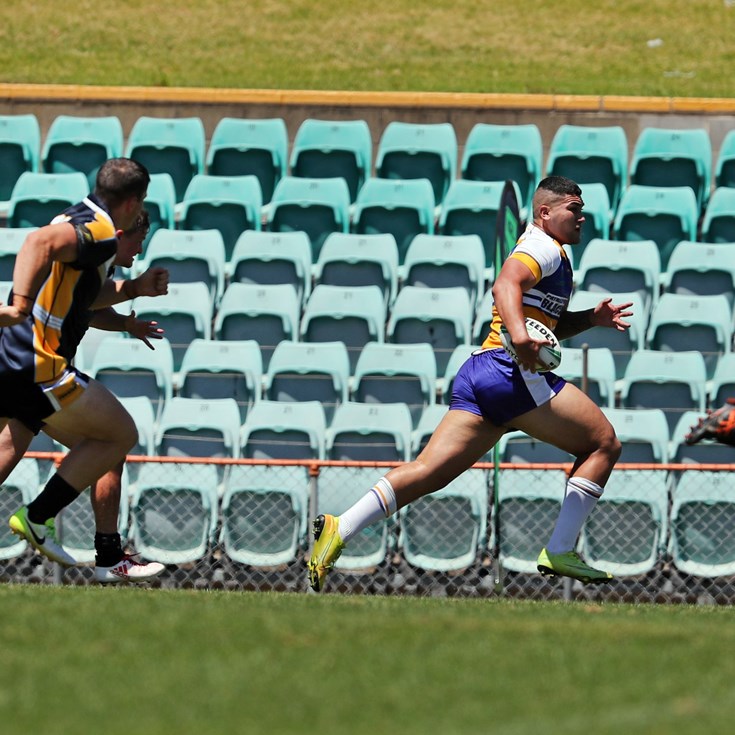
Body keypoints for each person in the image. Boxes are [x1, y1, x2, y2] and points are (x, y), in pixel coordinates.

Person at [308, 175, 634, 591]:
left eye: (582, 209)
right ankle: (561, 548)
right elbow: (505, 285)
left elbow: (543, 325)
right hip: (510, 370)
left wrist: (590, 318)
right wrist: (518, 338)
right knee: (603, 443)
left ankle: (340, 527)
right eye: (574, 208)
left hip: (482, 371)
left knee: (429, 471)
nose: (581, 217)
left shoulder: (551, 251)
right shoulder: (541, 246)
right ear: (545, 212)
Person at [0, 157, 164, 582]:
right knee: (117, 436)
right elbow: (38, 243)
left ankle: (108, 555)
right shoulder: (101, 232)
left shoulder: (80, 215)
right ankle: (39, 519)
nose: (138, 250)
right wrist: (18, 303)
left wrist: (132, 294)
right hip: (40, 362)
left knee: (23, 448)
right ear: (132, 203)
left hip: (15, 355)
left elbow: (80, 300)